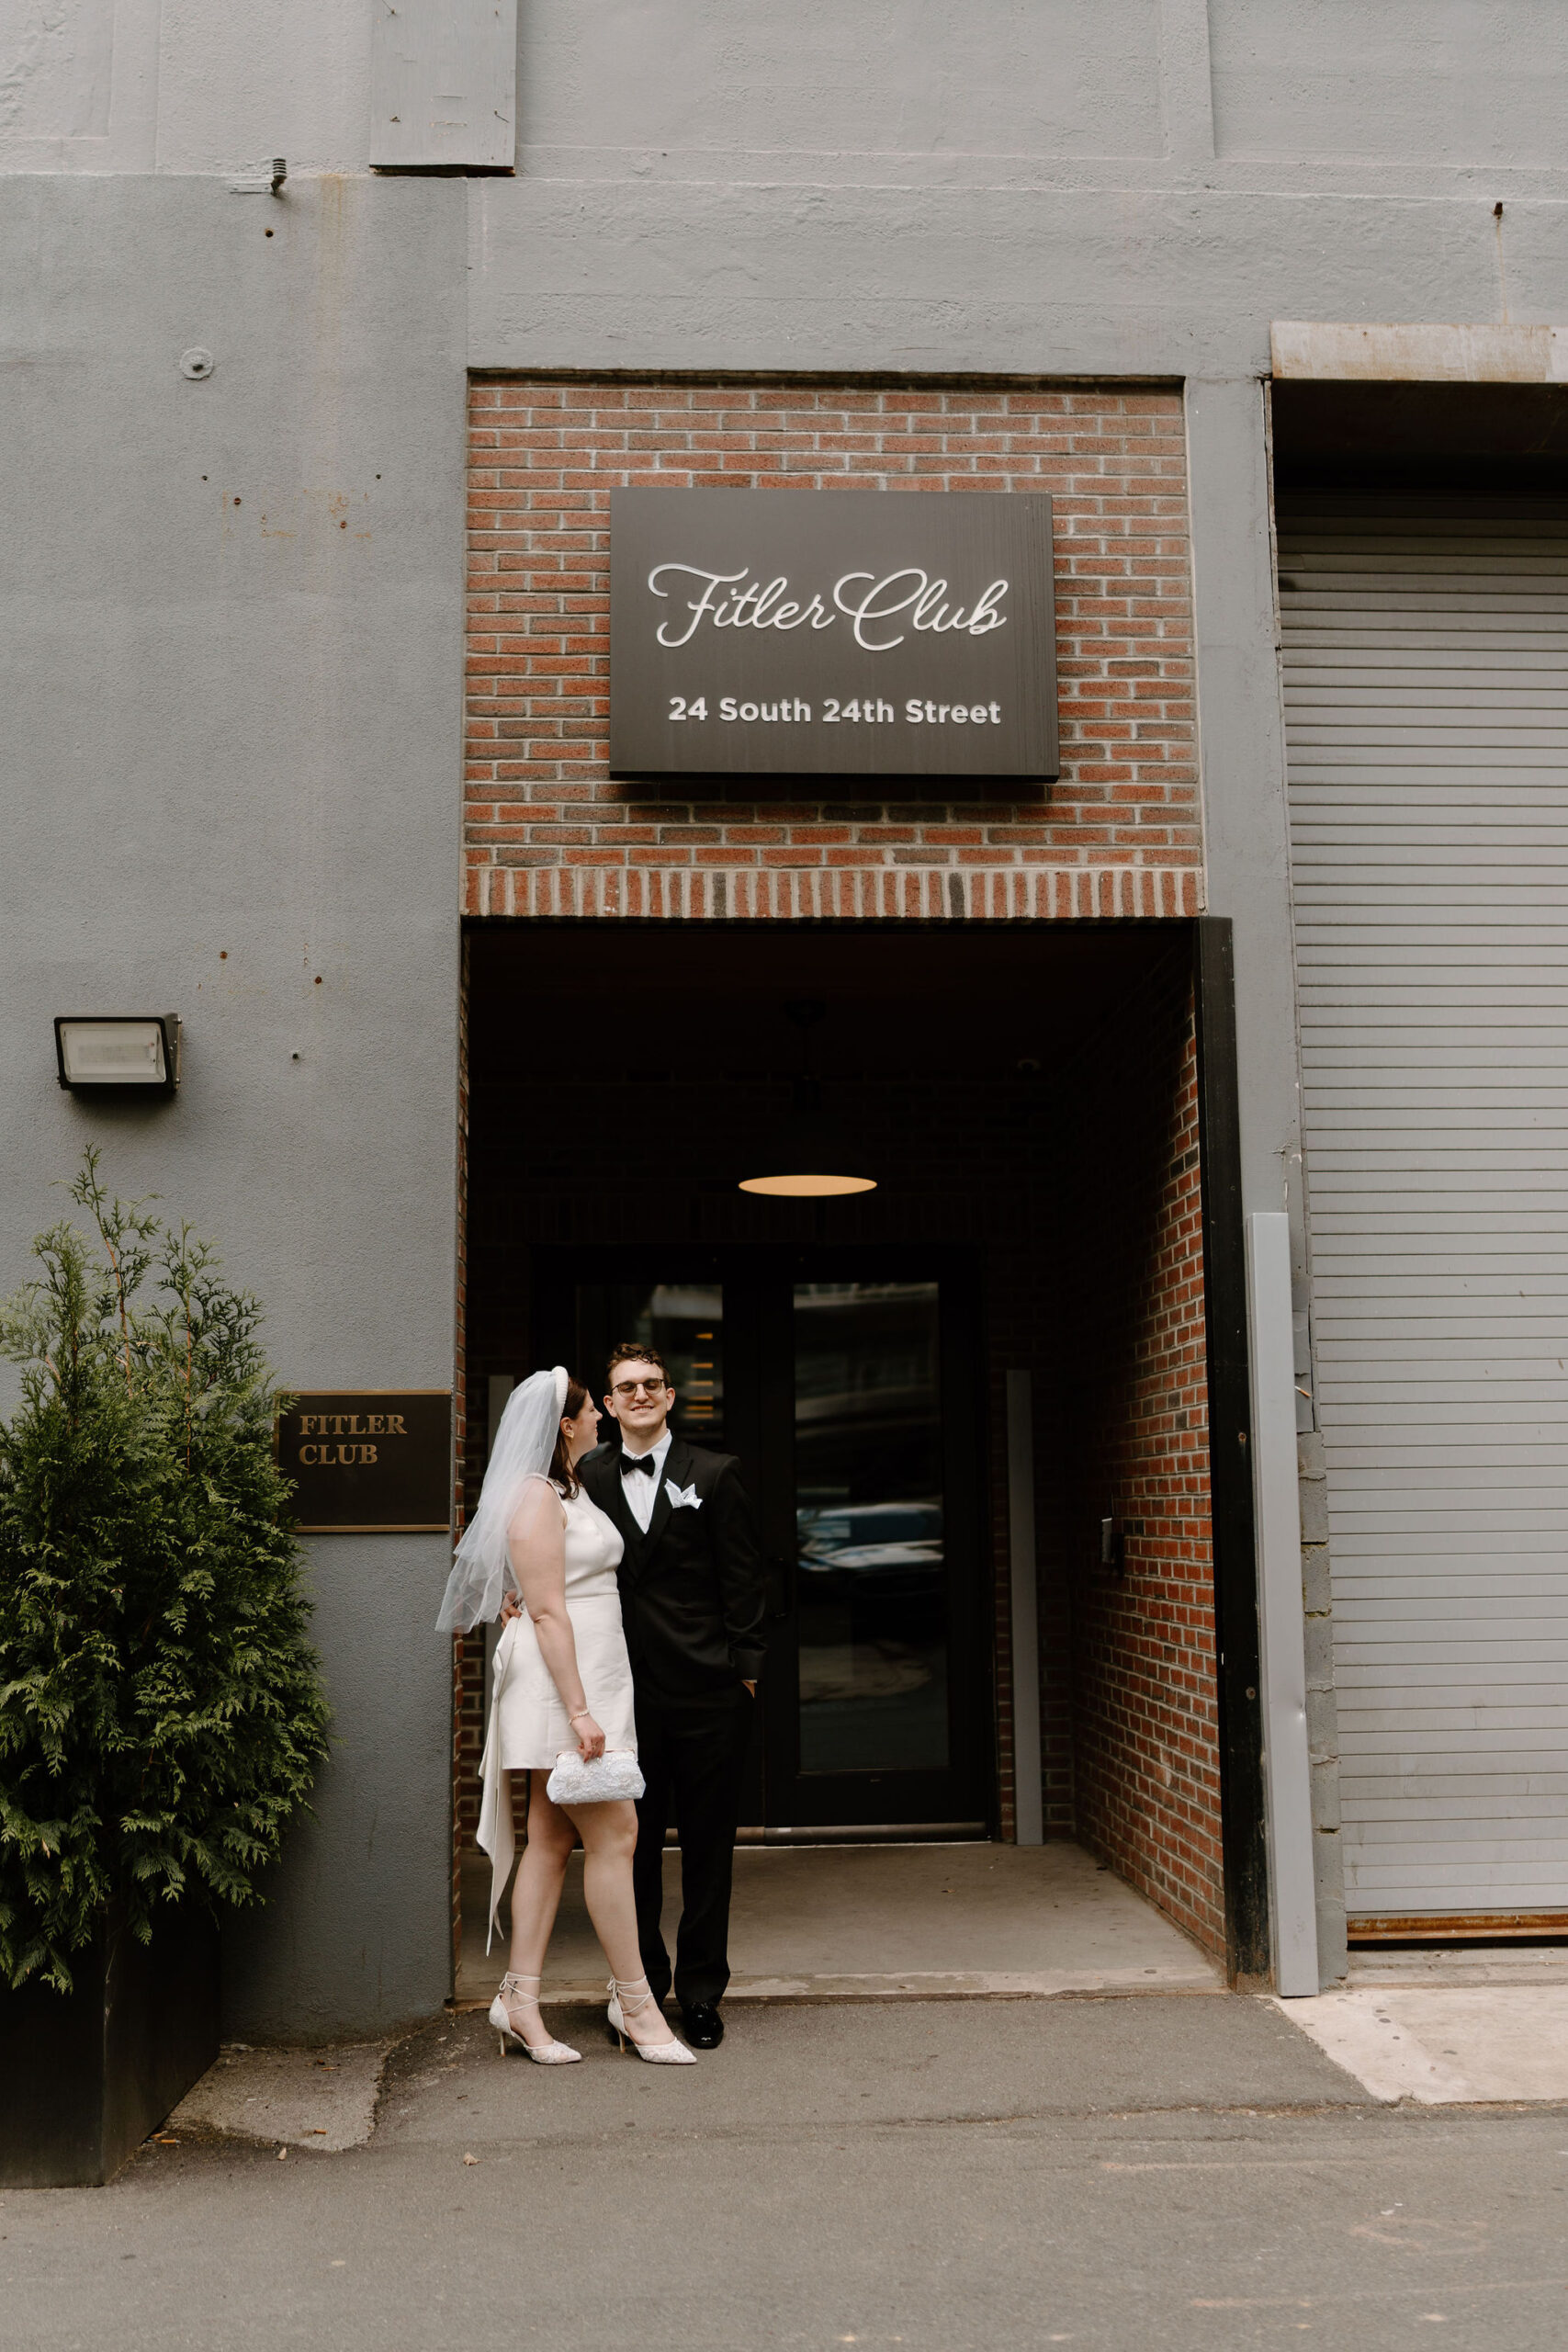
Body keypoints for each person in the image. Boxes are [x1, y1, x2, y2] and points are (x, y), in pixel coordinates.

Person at [436, 1365, 696, 2066]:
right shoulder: (532, 1496)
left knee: (551, 1840)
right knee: (618, 1833)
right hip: (563, 1684)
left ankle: (518, 2000)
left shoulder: (568, 1488)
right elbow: (547, 1607)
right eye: (592, 1412)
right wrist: (579, 1711)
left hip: (593, 1674)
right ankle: (636, 2004)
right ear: (565, 1423)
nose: (603, 1421)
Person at [576, 1343, 768, 2050]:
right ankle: (643, 1989)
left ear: (670, 1395)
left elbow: (745, 1579)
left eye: (651, 1384)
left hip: (710, 1691)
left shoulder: (714, 1474)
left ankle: (701, 1993)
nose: (639, 1395)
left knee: (709, 1848)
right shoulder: (586, 1475)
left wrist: (744, 1670)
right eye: (625, 1386)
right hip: (623, 1693)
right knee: (633, 1846)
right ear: (607, 1400)